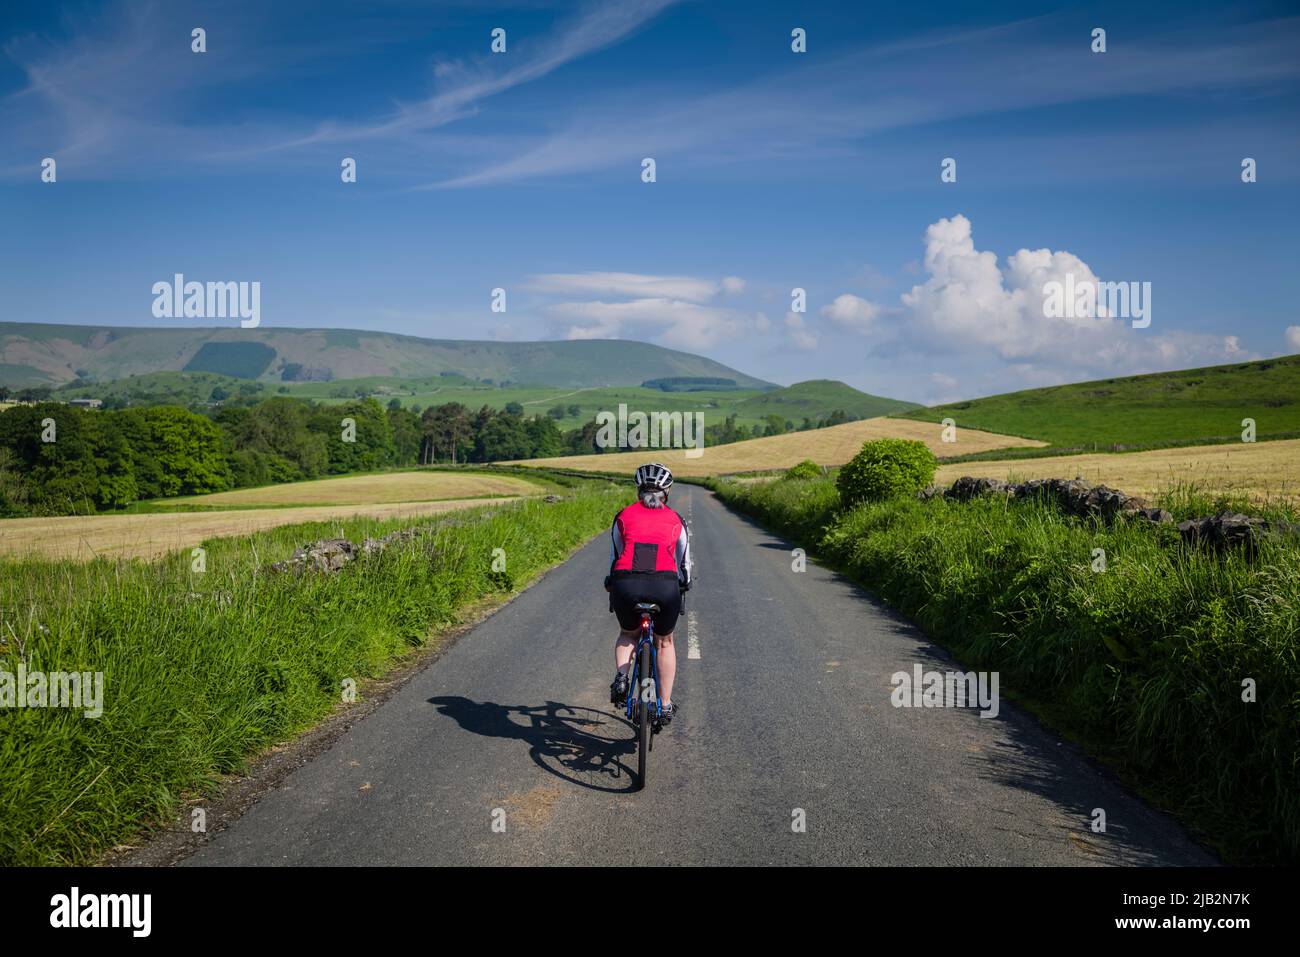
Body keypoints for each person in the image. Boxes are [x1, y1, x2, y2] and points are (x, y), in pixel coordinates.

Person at [605, 462, 691, 725]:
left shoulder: (623, 515)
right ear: (667, 492)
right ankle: (664, 706)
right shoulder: (675, 519)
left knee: (628, 634)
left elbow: (615, 557)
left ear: (638, 489)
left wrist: (612, 582)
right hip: (664, 586)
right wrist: (684, 582)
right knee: (664, 642)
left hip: (626, 584)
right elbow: (685, 563)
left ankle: (622, 677)